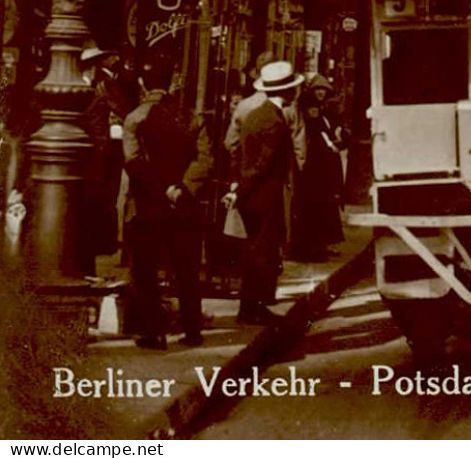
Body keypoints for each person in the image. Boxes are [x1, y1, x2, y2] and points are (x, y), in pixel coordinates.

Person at [123, 87, 213, 349]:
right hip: (184, 205)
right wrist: (182, 189)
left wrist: (163, 189)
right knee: (187, 269)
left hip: (149, 204)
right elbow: (204, 160)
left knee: (146, 270)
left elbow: (134, 162)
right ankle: (192, 329)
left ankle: (153, 332)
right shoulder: (192, 117)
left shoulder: (134, 118)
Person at [226, 60, 300, 325]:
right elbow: (261, 165)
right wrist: (241, 191)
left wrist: (236, 186)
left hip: (254, 195)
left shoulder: (257, 114)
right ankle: (251, 309)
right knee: (261, 253)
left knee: (255, 251)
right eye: (293, 89)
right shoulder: (274, 122)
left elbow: (237, 154)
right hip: (263, 196)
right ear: (286, 92)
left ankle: (252, 306)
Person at [78, 46, 138, 273]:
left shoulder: (100, 88)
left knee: (95, 209)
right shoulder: (96, 90)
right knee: (93, 208)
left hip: (98, 158)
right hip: (95, 158)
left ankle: (88, 263)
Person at [289, 73, 344, 261]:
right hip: (313, 165)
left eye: (324, 90)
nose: (321, 93)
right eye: (318, 89)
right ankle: (311, 248)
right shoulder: (309, 108)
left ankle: (320, 245)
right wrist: (330, 143)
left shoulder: (323, 109)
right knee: (312, 207)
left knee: (322, 207)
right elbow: (314, 132)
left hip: (322, 165)